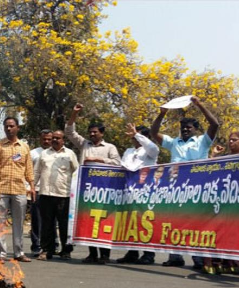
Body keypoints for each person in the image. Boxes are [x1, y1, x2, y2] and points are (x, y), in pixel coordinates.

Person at [150, 95, 219, 269]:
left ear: (196, 129)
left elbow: (215, 125)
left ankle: (198, 259)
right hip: (176, 188)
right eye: (183, 128)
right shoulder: (174, 143)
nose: (185, 130)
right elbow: (153, 133)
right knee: (174, 221)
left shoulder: (203, 141)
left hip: (197, 187)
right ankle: (175, 257)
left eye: (188, 128)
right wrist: (162, 114)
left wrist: (199, 104)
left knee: (197, 223)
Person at [65, 103, 121, 264]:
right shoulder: (84, 144)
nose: (92, 134)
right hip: (87, 190)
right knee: (88, 221)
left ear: (102, 133)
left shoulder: (110, 147)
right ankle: (92, 253)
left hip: (105, 191)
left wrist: (98, 159)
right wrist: (74, 114)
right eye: (90, 132)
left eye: (95, 132)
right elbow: (69, 132)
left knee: (104, 222)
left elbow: (118, 163)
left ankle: (105, 255)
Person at [202, 132, 239, 275]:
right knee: (218, 232)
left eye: (234, 140)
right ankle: (216, 264)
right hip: (222, 201)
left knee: (236, 233)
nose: (231, 142)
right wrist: (213, 155)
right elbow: (210, 170)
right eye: (229, 140)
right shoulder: (224, 159)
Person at [0, 117, 35, 262]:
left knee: (18, 222)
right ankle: (1, 254)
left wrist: (32, 186)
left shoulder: (24, 147)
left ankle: (19, 252)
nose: (8, 129)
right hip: (1, 189)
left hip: (19, 189)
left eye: (11, 126)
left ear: (18, 128)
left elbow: (28, 168)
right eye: (6, 126)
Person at [117, 124, 159, 265]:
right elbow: (125, 166)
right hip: (129, 192)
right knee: (131, 222)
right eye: (133, 135)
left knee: (146, 222)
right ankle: (132, 252)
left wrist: (138, 135)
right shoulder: (129, 151)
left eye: (137, 135)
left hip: (145, 192)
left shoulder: (149, 151)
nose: (133, 138)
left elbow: (154, 149)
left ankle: (149, 254)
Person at [34, 130, 79, 261]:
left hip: (63, 195)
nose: (54, 140)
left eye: (58, 138)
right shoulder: (44, 154)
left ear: (63, 140)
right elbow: (36, 172)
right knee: (47, 225)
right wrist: (31, 188)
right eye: (53, 138)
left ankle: (66, 251)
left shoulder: (70, 154)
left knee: (64, 225)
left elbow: (76, 173)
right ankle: (47, 250)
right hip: (46, 194)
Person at [29, 129, 52, 257]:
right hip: (36, 190)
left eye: (49, 139)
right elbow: (28, 172)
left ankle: (52, 245)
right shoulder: (33, 153)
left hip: (52, 191)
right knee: (36, 220)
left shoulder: (55, 152)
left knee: (51, 220)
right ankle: (36, 246)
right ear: (40, 139)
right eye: (44, 139)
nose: (47, 141)